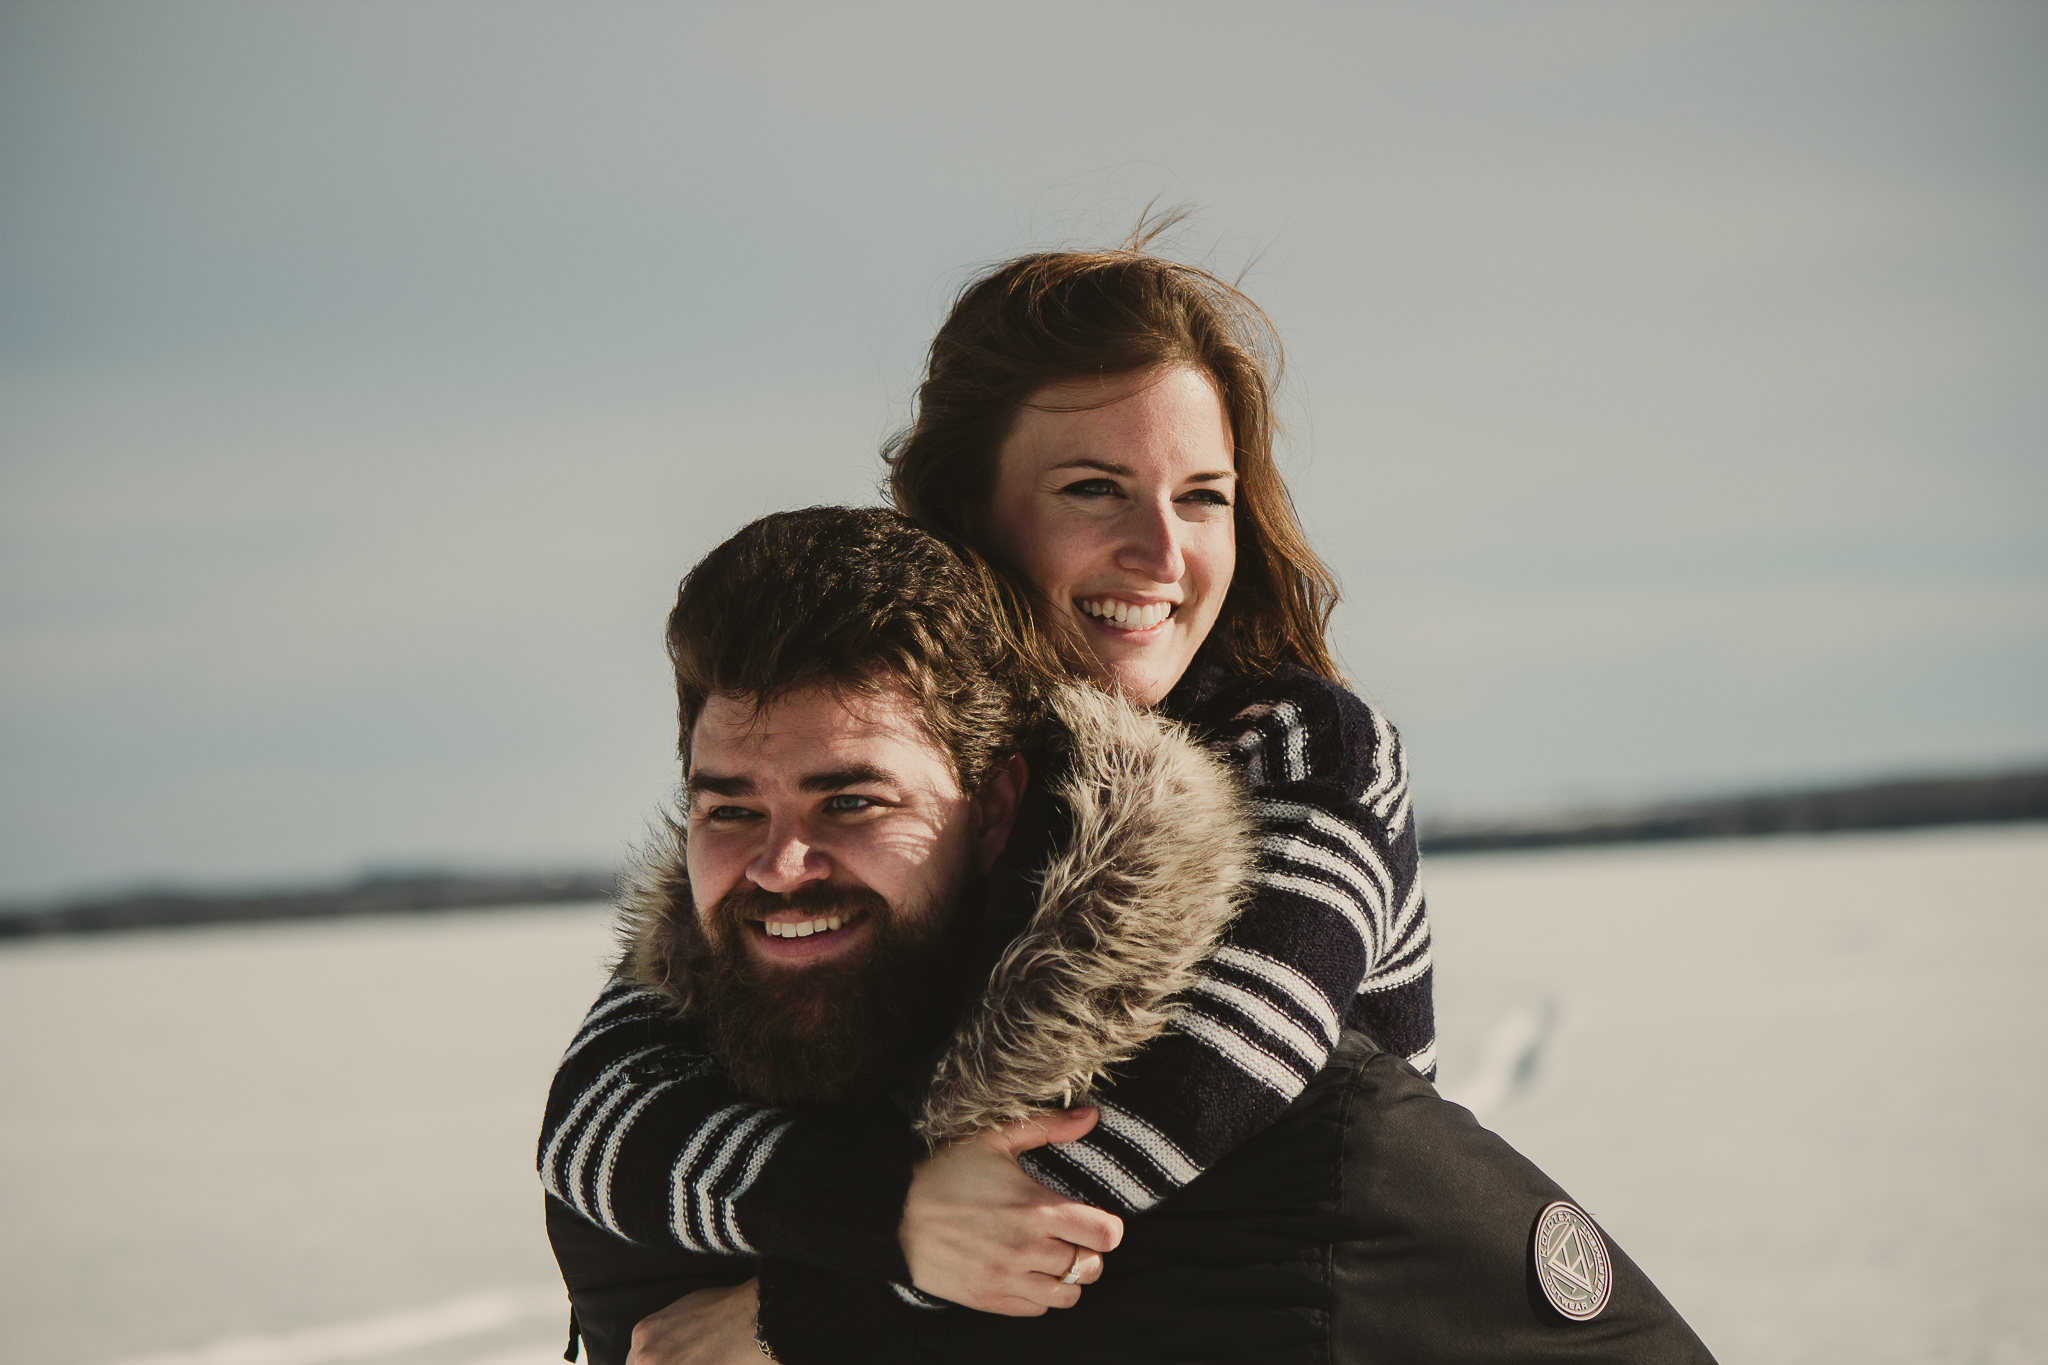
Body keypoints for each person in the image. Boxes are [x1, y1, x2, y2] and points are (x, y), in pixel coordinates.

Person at [541, 231, 1440, 1361]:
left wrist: (807, 1313)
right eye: (1094, 490)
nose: (1161, 550)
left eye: (1201, 498)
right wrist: (881, 1216)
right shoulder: (896, 776)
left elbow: (1189, 1095)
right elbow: (594, 1116)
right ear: (966, 519)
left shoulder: (1302, 747)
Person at [547, 506, 1715, 1364]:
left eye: (852, 802)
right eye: (727, 809)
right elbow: (580, 1132)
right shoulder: (665, 1120)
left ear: (996, 806)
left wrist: (815, 1313)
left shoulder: (1278, 1133)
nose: (778, 866)